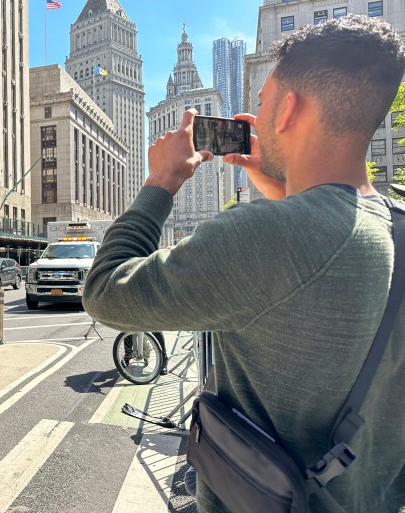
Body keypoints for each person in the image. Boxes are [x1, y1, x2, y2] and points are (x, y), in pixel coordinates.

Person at [83, 15, 405, 513]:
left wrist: (162, 181)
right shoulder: (395, 228)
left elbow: (105, 290)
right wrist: (283, 183)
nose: (252, 117)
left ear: (288, 109)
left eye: (261, 103)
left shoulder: (260, 237)